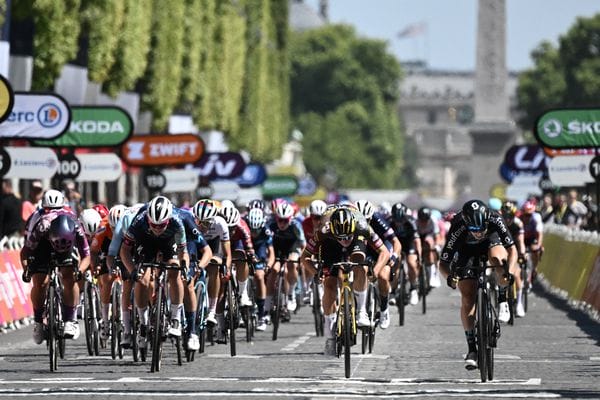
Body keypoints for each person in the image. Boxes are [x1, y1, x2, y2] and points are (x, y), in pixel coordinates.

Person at [438, 200, 517, 370]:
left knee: (499, 261)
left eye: (482, 228)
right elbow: (443, 263)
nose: (479, 233)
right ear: (466, 224)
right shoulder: (458, 226)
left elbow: (512, 250)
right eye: (474, 230)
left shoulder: (495, 218)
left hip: (492, 243)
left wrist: (508, 272)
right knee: (467, 296)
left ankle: (502, 300)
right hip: (466, 250)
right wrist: (450, 278)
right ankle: (472, 349)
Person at [301, 207, 389, 356]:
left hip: (357, 239)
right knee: (329, 285)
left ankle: (361, 312)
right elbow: (304, 257)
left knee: (360, 264)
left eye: (347, 237)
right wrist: (317, 273)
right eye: (341, 237)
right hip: (330, 245)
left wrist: (376, 270)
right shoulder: (323, 231)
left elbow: (384, 252)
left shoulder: (362, 227)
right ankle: (329, 337)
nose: (344, 241)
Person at [120, 196, 189, 350]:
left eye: (161, 225)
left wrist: (184, 265)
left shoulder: (177, 222)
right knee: (142, 279)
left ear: (168, 220)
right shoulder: (139, 221)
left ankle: (176, 318)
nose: (157, 228)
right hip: (146, 242)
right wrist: (132, 271)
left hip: (169, 242)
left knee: (174, 271)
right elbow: (124, 251)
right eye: (154, 225)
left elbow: (183, 252)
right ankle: (144, 323)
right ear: (148, 219)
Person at [22, 212, 91, 343]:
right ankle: (38, 321)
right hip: (44, 246)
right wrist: (26, 269)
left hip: (68, 250)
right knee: (40, 282)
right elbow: (25, 251)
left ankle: (70, 320)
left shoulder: (77, 228)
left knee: (70, 277)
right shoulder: (42, 227)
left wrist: (80, 271)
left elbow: (86, 256)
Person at [355, 199, 401, 329]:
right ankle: (359, 306)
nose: (363, 224)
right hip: (365, 247)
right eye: (360, 220)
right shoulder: (352, 220)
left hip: (382, 248)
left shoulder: (379, 220)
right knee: (359, 268)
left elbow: (396, 243)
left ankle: (384, 310)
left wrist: (394, 256)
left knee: (382, 276)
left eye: (367, 220)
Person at [192, 199, 232, 343]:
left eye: (207, 223)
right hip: (195, 243)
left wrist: (227, 268)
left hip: (214, 245)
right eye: (200, 222)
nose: (203, 226)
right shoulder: (189, 219)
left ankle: (211, 311)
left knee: (215, 264)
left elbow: (227, 253)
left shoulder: (220, 223)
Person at [267, 201, 306, 315]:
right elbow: (266, 243)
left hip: (292, 247)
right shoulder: (271, 224)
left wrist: (302, 260)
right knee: (274, 270)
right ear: (276, 218)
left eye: (285, 220)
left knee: (292, 264)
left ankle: (291, 293)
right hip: (277, 248)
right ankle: (269, 300)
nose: (282, 223)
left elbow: (303, 245)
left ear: (290, 219)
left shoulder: (296, 225)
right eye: (280, 220)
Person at [245, 208, 275, 331]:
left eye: (257, 230)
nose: (254, 233)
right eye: (252, 229)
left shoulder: (266, 231)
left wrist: (268, 266)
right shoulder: (244, 226)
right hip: (246, 248)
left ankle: (262, 314)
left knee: (259, 276)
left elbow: (271, 253)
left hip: (260, 251)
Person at [389, 203, 422, 306]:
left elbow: (417, 240)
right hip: (397, 243)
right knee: (395, 264)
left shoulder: (411, 221)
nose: (398, 223)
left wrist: (419, 256)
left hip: (409, 242)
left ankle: (413, 288)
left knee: (412, 263)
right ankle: (393, 291)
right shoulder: (390, 222)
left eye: (401, 220)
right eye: (396, 220)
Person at [500, 201, 526, 318]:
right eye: (505, 217)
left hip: (514, 247)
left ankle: (519, 303)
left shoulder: (518, 223)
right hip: (502, 247)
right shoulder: (499, 222)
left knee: (516, 274)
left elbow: (520, 240)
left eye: (510, 217)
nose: (508, 219)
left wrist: (522, 252)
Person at [416, 206, 442, 289]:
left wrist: (437, 246)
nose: (424, 223)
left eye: (426, 220)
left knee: (429, 242)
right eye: (422, 221)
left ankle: (433, 275)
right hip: (418, 237)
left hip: (429, 236)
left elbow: (437, 236)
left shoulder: (433, 221)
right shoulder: (415, 222)